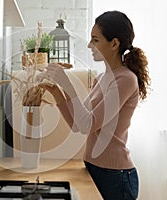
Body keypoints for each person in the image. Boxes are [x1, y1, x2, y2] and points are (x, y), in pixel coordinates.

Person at [39, 11, 150, 200]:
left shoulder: (125, 80)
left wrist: (67, 84)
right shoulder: (102, 78)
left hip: (116, 176)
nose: (90, 45)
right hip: (94, 167)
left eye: (95, 40)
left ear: (114, 44)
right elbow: (78, 124)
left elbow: (88, 124)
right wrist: (56, 92)